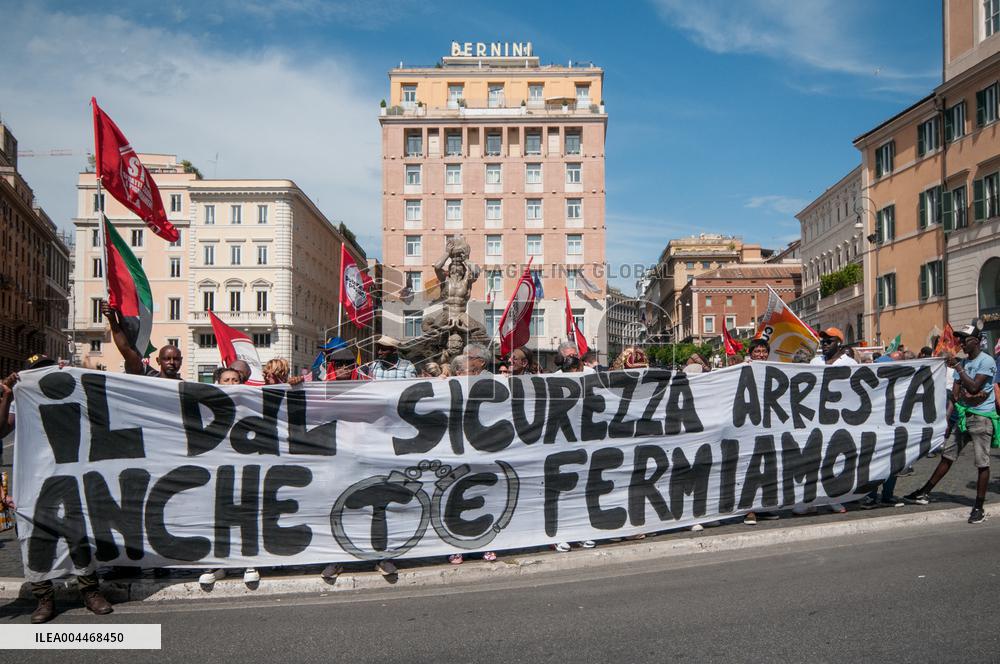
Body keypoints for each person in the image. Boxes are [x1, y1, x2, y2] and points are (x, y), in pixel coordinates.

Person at [3, 355, 114, 623]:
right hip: (35, 478)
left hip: (72, 475)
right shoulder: (22, 398)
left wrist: (77, 372)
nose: (45, 377)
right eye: (38, 373)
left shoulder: (75, 391)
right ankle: (44, 597)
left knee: (79, 534)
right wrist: (6, 395)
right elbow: (1, 430)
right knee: (35, 536)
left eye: (49, 370)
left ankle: (90, 591)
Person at [904, 325, 997, 524]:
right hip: (963, 417)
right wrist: (950, 413)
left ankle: (979, 507)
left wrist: (963, 377)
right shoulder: (961, 363)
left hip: (982, 417)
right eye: (960, 339)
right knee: (947, 456)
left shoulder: (986, 361)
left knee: (982, 463)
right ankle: (924, 492)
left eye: (965, 339)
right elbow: (957, 394)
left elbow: (973, 386)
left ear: (977, 340)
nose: (961, 343)